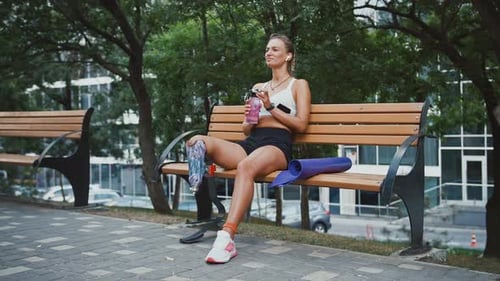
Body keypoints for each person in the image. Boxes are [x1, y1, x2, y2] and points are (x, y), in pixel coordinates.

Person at [186, 33, 311, 264]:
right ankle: (197, 183)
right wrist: (250, 117)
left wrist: (270, 107)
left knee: (245, 167)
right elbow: (246, 129)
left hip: (277, 145)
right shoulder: (258, 87)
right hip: (252, 142)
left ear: (288, 56)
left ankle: (226, 237)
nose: (268, 52)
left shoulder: (298, 85)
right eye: (267, 49)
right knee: (197, 141)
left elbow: (301, 124)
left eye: (274, 49)